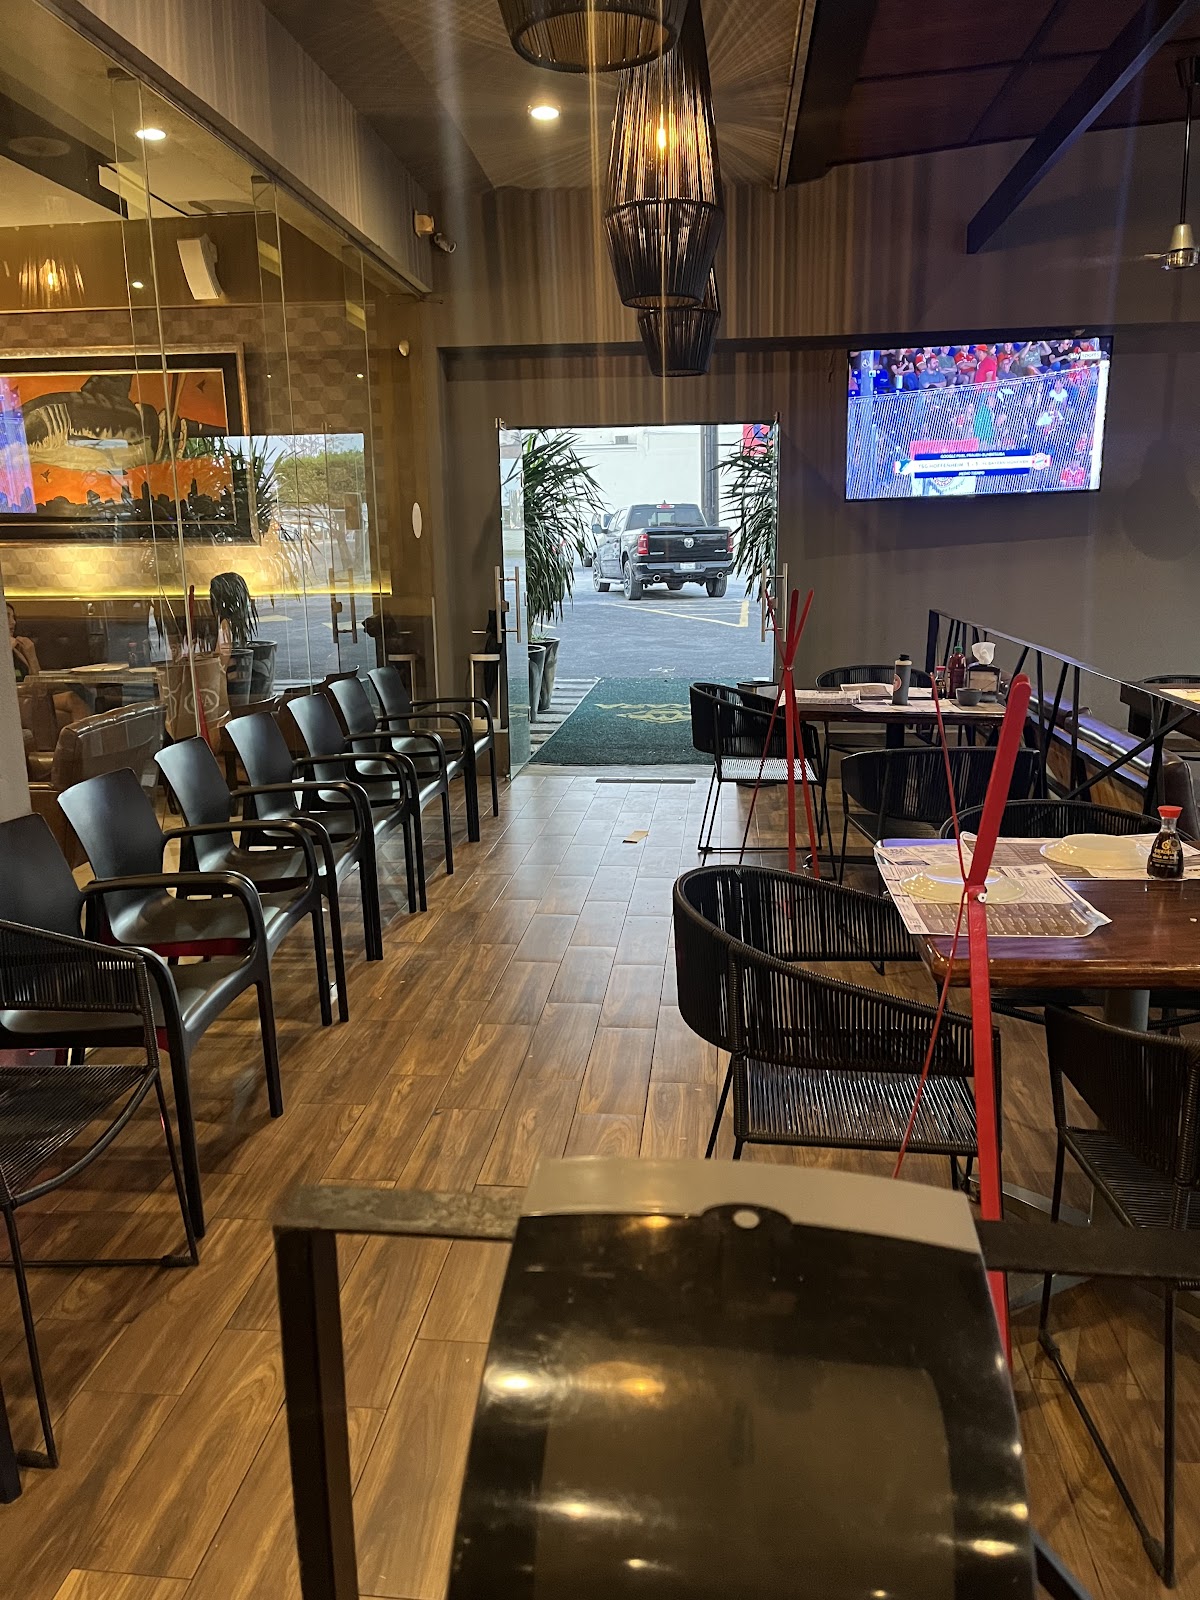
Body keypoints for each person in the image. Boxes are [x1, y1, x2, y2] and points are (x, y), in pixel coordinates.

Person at [8, 603, 90, 727]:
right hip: (11, 703)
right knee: (57, 716)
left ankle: (80, 739)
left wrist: (31, 656)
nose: (13, 622)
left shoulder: (18, 649)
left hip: (30, 698)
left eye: (14, 617)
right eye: (7, 617)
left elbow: (39, 687)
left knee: (75, 699)